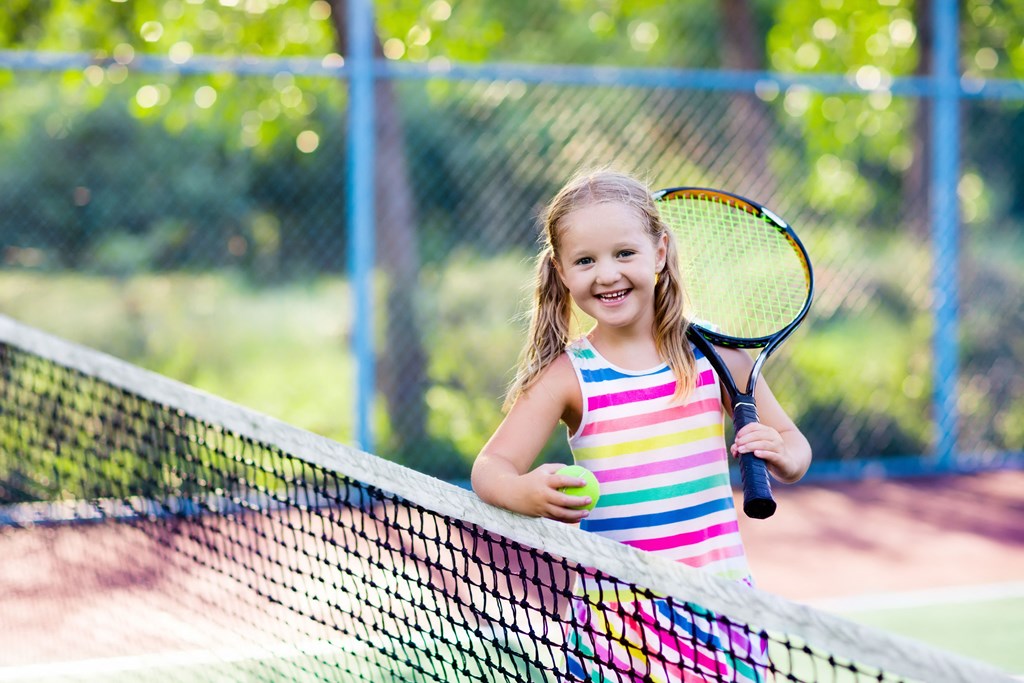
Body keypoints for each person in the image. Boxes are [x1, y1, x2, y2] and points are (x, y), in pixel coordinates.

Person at [471, 167, 812, 682]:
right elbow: (491, 466)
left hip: (720, 611)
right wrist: (525, 492)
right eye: (585, 260)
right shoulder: (568, 376)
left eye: (623, 253)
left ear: (659, 253)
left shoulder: (717, 360)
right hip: (616, 622)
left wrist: (784, 455)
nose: (606, 274)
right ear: (562, 273)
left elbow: (794, 445)